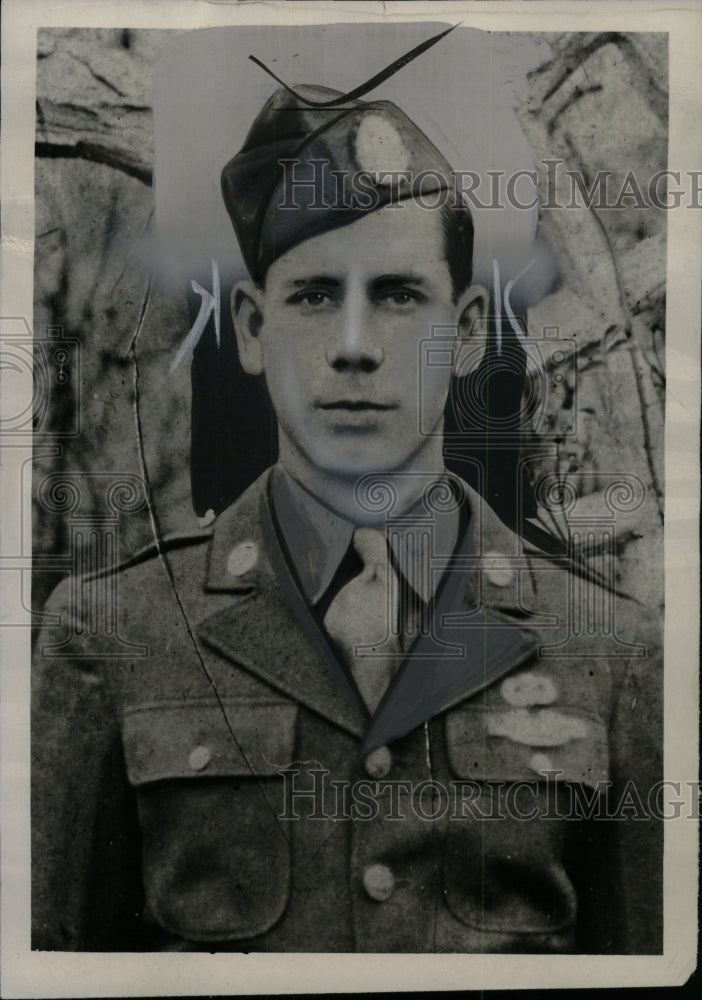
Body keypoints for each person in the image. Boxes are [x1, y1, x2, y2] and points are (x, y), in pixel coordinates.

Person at [31, 82, 662, 954]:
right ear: (252, 329)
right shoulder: (110, 637)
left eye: (400, 295)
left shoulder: (611, 655)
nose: (355, 344)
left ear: (469, 330)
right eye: (315, 296)